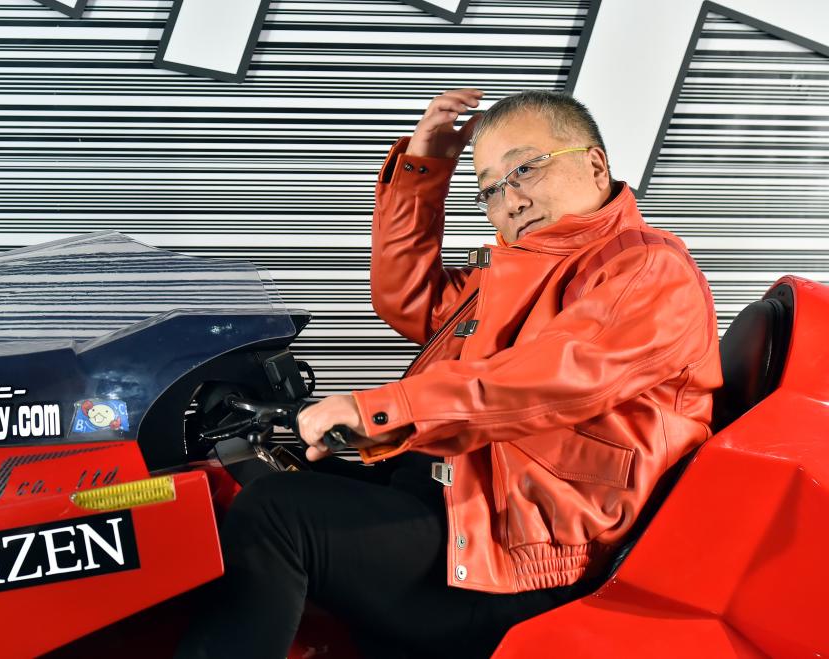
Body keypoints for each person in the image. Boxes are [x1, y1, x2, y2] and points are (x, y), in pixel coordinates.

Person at [180, 89, 722, 658]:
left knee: (278, 517)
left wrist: (377, 410)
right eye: (489, 187)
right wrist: (422, 167)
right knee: (247, 490)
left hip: (532, 555)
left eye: (525, 169)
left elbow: (553, 374)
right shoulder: (517, 273)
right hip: (468, 502)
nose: (508, 200)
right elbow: (411, 299)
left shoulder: (645, 269)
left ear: (595, 163)